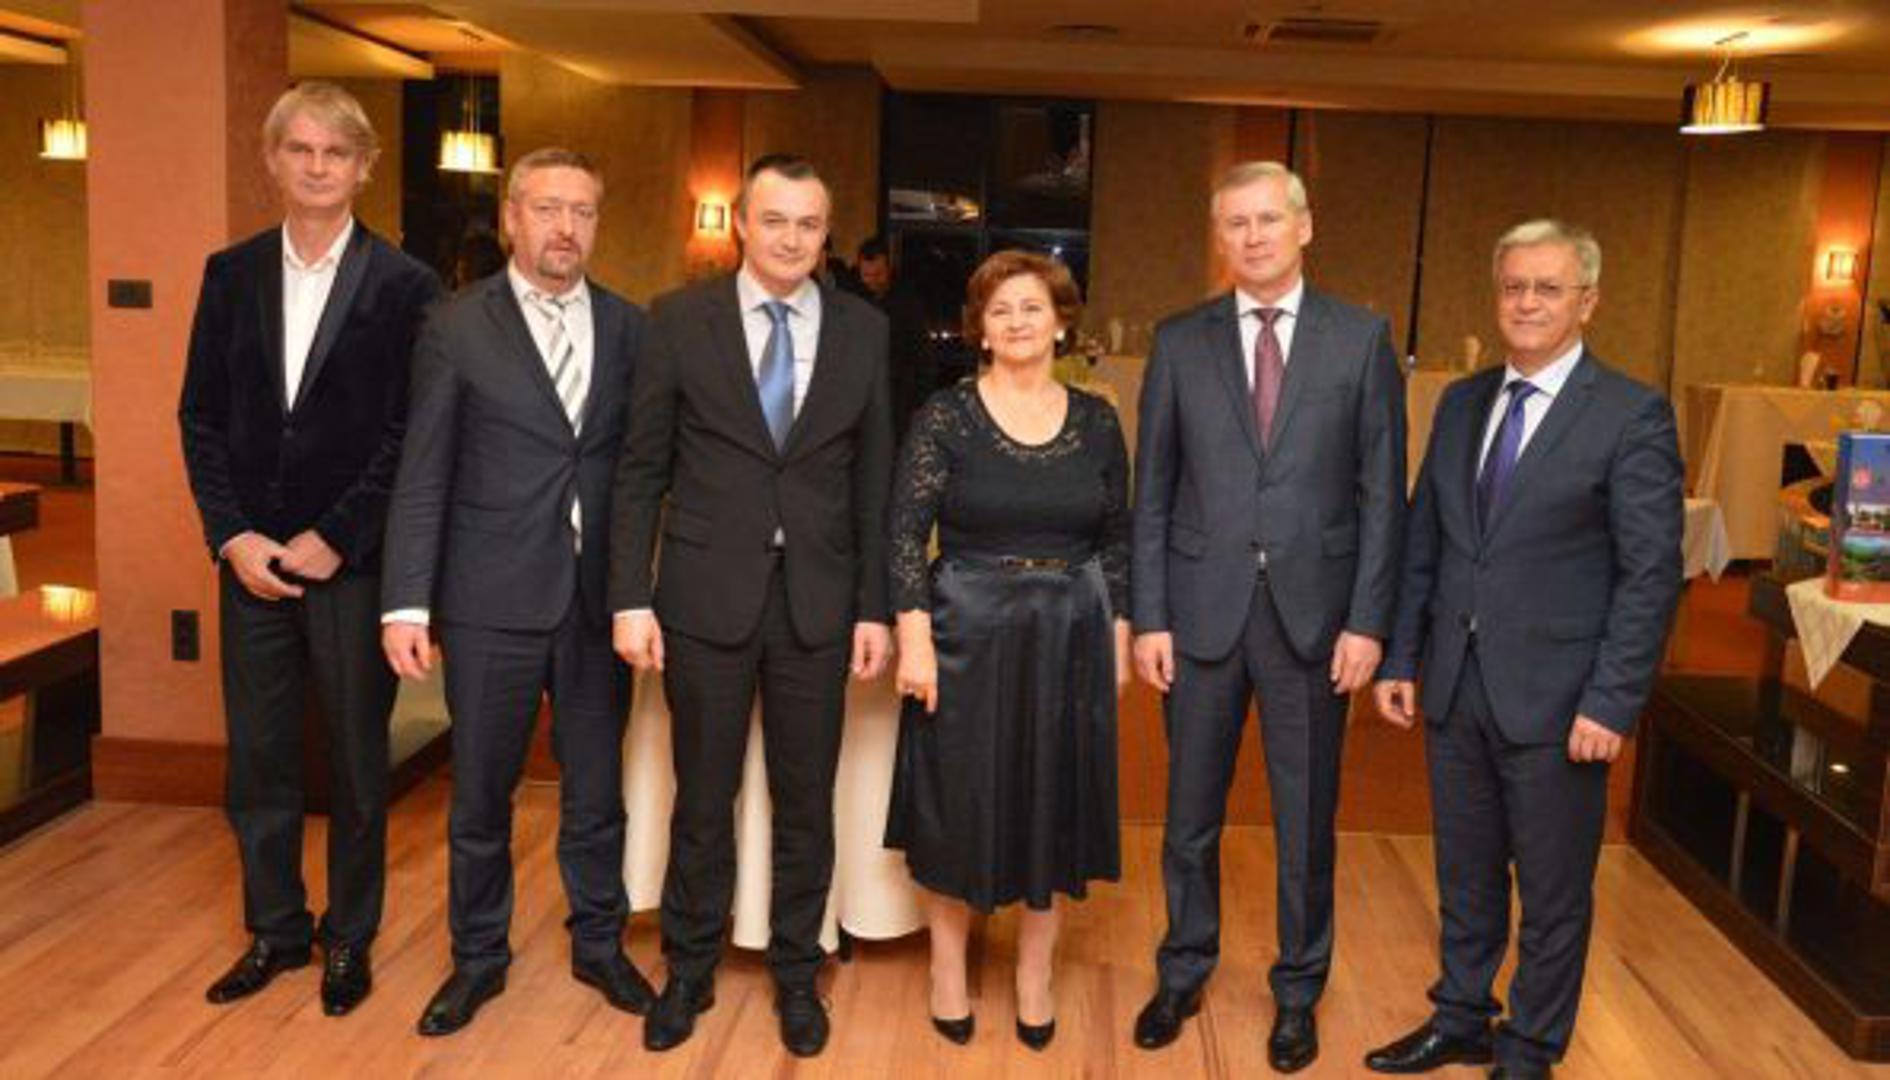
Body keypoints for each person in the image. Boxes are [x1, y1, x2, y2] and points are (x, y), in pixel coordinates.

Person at [1365, 221, 1682, 1080]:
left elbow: (1651, 574)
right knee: (1466, 872)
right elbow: (1426, 539)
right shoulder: (1464, 401)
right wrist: (1401, 657)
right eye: (1513, 287)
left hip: (1563, 697)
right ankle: (1461, 1017)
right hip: (1456, 684)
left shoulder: (1630, 415)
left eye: (1548, 288)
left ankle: (1531, 1047)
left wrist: (1611, 702)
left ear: (1588, 302)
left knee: (1551, 889)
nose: (1527, 303)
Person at [609, 154, 894, 1058]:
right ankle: (689, 969)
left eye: (809, 224)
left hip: (819, 601)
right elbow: (640, 470)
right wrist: (629, 595)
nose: (791, 239)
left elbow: (875, 480)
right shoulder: (677, 319)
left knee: (806, 800)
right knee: (703, 797)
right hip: (703, 597)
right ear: (741, 223)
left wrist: (876, 608)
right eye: (775, 220)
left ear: (827, 232)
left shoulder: (863, 329)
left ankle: (797, 972)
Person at [1129, 161, 1406, 1071]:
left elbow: (1382, 495)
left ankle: (1298, 991)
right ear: (1220, 237)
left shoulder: (1360, 340)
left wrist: (1369, 622)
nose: (1252, 237)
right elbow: (1153, 493)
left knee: (1305, 821)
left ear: (1304, 226)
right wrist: (1150, 616)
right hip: (1198, 616)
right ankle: (1182, 969)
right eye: (1235, 223)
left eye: (1268, 220)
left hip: (1316, 623)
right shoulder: (1179, 341)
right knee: (1189, 816)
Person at [179, 81, 441, 1018]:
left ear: (364, 166)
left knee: (357, 766)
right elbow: (200, 417)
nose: (318, 167)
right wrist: (231, 537)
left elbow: (411, 433)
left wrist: (339, 534)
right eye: (301, 149)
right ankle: (277, 932)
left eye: (337, 152)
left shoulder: (408, 287)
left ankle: (349, 938)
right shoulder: (230, 274)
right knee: (259, 762)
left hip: (350, 568)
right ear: (273, 160)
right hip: (252, 566)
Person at [380, 148, 651, 1037]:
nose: (565, 227)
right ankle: (478, 958)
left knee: (596, 793)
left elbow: (640, 469)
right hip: (488, 598)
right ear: (510, 218)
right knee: (480, 795)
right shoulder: (455, 326)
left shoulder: (630, 329)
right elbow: (424, 471)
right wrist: (406, 601)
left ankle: (599, 944)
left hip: (596, 603)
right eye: (546, 208)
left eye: (582, 211)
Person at [885, 250, 1130, 1051]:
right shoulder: (945, 416)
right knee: (957, 803)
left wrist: (1118, 635)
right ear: (980, 330)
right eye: (1001, 310)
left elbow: (1118, 539)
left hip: (1068, 635)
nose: (1018, 321)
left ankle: (1034, 972)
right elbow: (903, 535)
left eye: (1033, 306)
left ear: (1061, 322)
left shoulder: (1097, 421)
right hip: (964, 630)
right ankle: (947, 967)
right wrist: (914, 638)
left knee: (1048, 803)